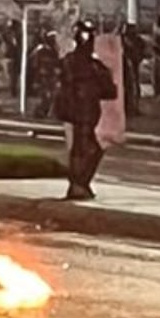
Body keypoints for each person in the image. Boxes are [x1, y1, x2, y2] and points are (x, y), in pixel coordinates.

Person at [53, 19, 117, 201]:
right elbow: (108, 90)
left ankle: (79, 183)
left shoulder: (76, 62)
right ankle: (78, 184)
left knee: (85, 148)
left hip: (82, 112)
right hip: (82, 112)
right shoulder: (85, 64)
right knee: (86, 149)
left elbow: (109, 91)